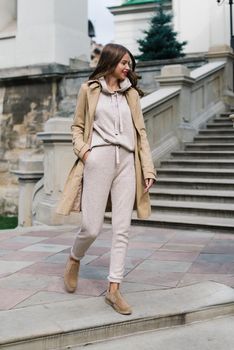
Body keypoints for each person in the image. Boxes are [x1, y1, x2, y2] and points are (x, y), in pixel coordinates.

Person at [56, 43, 156, 315]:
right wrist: (85, 151)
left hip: (127, 162)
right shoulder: (89, 90)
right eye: (124, 62)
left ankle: (114, 289)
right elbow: (77, 126)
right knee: (91, 226)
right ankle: (75, 258)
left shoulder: (131, 95)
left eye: (130, 64)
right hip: (97, 160)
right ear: (111, 61)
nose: (128, 68)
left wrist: (148, 168)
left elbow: (141, 133)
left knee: (122, 227)